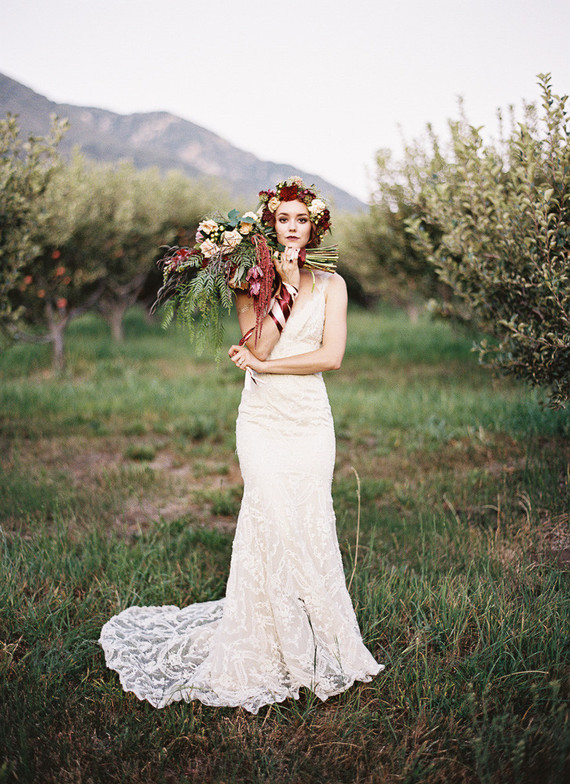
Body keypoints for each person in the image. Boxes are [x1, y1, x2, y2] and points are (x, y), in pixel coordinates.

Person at [99, 178, 383, 714]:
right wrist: (286, 291)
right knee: (269, 519)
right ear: (270, 225)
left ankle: (319, 639)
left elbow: (330, 357)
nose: (292, 228)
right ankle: (263, 642)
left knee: (309, 523)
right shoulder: (249, 279)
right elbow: (260, 346)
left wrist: (265, 366)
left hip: (309, 421)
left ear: (315, 226)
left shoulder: (335, 285)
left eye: (302, 220)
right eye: (283, 219)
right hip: (262, 420)